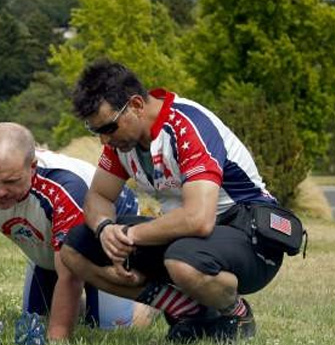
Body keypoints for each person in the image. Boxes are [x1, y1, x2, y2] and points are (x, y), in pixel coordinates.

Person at [60, 59, 286, 343]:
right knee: (75, 248)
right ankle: (190, 312)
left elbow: (198, 219)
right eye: (97, 131)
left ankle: (235, 313)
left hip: (250, 234)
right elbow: (99, 196)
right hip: (188, 239)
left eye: (109, 127)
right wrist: (106, 230)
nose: (105, 140)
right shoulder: (123, 141)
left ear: (137, 105)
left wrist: (129, 236)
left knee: (182, 261)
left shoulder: (187, 126)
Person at [0, 122, 148, 341]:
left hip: (107, 234)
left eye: (11, 181)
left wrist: (57, 340)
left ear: (32, 167)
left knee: (111, 329)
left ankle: (152, 303)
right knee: (36, 320)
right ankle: (83, 305)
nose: (0, 191)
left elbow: (70, 273)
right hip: (48, 242)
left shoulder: (66, 187)